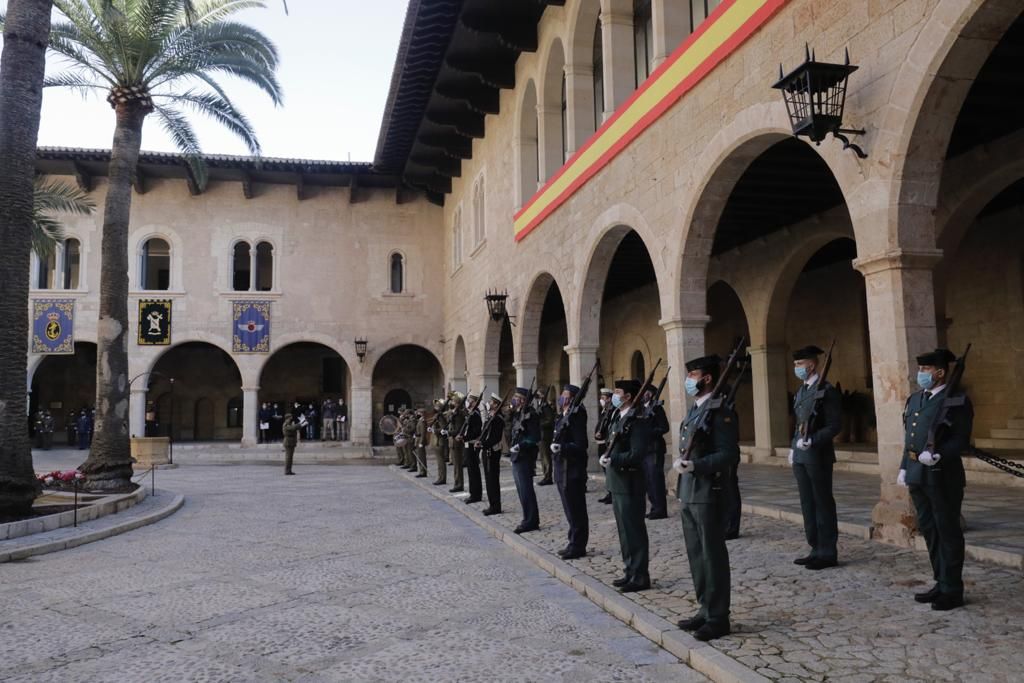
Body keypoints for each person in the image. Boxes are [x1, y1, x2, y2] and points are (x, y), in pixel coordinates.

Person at [899, 348, 973, 611]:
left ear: (940, 373)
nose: (921, 374)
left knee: (947, 531)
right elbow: (910, 437)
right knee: (929, 530)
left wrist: (939, 454)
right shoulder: (916, 399)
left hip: (943, 476)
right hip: (918, 474)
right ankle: (940, 581)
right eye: (920, 370)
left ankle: (952, 589)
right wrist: (904, 466)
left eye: (926, 370)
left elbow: (961, 440)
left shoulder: (957, 401)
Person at [673, 355, 740, 642]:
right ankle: (705, 607)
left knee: (712, 556)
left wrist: (697, 466)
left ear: (708, 378)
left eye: (693, 374)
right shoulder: (696, 410)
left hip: (708, 493)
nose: (689, 380)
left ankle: (718, 616)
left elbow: (728, 454)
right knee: (697, 555)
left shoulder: (721, 411)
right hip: (689, 492)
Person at [789, 345, 843, 569]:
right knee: (807, 503)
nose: (797, 368)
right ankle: (815, 546)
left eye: (800, 364)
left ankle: (828, 551)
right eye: (795, 365)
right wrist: (794, 447)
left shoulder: (826, 391)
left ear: (811, 365)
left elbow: (834, 425)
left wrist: (814, 439)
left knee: (822, 503)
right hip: (802, 456)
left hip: (818, 455)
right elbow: (799, 424)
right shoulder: (802, 391)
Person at [602, 379, 652, 593]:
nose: (614, 395)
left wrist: (614, 459)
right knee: (624, 531)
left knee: (634, 530)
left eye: (618, 392)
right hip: (618, 482)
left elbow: (637, 453)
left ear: (629, 396)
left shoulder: (637, 421)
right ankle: (630, 570)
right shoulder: (618, 417)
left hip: (630, 482)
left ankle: (640, 576)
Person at [552, 384, 589, 559]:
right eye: (562, 394)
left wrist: (563, 447)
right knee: (569, 508)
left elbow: (581, 445)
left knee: (576, 508)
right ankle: (572, 540)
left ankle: (578, 545)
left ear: (573, 398)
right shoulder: (563, 416)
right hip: (561, 467)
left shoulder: (577, 415)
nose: (562, 397)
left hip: (573, 469)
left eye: (566, 395)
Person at [509, 386, 541, 534]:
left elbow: (535, 438)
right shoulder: (518, 414)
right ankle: (527, 518)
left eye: (517, 397)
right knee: (521, 490)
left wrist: (520, 446)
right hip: (516, 457)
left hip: (525, 457)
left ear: (523, 400)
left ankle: (530, 521)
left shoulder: (531, 415)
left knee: (526, 490)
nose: (514, 400)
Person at [642, 386, 670, 520]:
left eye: (646, 392)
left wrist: (649, 432)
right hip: (645, 449)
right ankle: (654, 507)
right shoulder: (641, 409)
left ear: (651, 394)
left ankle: (660, 509)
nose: (643, 394)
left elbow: (664, 427)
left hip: (655, 448)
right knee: (648, 480)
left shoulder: (657, 408)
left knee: (656, 480)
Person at [479, 393, 505, 516]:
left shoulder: (498, 419)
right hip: (486, 450)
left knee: (492, 479)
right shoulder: (491, 417)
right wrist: (481, 442)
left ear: (496, 405)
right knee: (489, 479)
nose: (489, 404)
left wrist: (483, 444)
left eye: (491, 402)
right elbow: (484, 432)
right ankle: (492, 504)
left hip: (492, 451)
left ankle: (495, 506)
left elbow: (495, 437)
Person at [461, 393, 484, 503]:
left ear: (475, 402)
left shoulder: (475, 414)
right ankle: (473, 493)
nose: (468, 402)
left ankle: (475, 495)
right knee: (470, 470)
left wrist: (465, 437)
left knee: (473, 470)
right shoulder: (470, 414)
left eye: (471, 401)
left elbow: (476, 431)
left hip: (472, 444)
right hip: (468, 444)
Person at [594, 388, 616, 504]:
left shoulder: (611, 411)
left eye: (604, 398)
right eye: (601, 397)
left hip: (606, 444)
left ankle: (612, 493)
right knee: (605, 471)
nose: (601, 400)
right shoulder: (604, 410)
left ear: (609, 399)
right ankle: (609, 492)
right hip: (601, 444)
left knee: (609, 471)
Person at [448, 393, 467, 493]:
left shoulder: (459, 415)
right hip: (453, 441)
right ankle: (456, 483)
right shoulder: (454, 413)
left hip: (457, 441)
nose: (451, 403)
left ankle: (459, 484)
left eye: (453, 401)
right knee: (455, 464)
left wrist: (448, 432)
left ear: (457, 403)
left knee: (458, 465)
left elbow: (458, 429)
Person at [536, 389, 555, 486]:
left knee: (546, 457)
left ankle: (548, 477)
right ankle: (545, 475)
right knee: (543, 457)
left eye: (538, 395)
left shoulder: (546, 407)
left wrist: (539, 424)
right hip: (541, 434)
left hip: (545, 435)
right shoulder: (540, 406)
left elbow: (550, 420)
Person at [431, 399, 449, 486]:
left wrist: (434, 430)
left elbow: (443, 428)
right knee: (439, 461)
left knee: (441, 461)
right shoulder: (437, 415)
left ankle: (442, 478)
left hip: (440, 441)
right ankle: (440, 477)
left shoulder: (440, 416)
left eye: (436, 406)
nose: (434, 407)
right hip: (437, 441)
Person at [414, 408, 429, 478]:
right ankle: (421, 470)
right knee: (419, 456)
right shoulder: (419, 420)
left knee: (422, 457)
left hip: (420, 440)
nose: (417, 414)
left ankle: (423, 471)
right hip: (418, 439)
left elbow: (423, 433)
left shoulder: (422, 421)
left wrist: (421, 442)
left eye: (418, 413)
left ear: (421, 413)